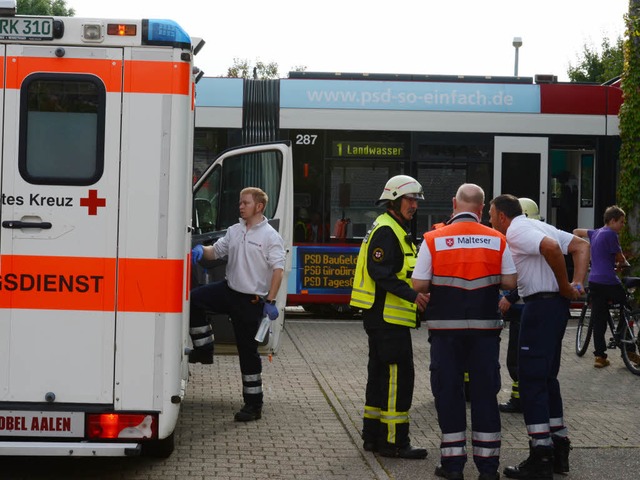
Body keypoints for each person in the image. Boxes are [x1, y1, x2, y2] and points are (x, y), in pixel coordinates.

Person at [412, 183, 517, 480]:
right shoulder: (497, 239)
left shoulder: (433, 239)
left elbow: (419, 285)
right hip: (485, 332)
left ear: (454, 204)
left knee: (449, 393)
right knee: (485, 395)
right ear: (482, 209)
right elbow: (510, 282)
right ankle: (487, 469)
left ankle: (453, 465)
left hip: (446, 332)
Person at [489, 194, 590, 479]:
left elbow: (550, 249)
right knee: (547, 379)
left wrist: (564, 286)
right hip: (554, 309)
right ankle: (559, 447)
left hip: (540, 305)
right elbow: (582, 245)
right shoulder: (539, 226)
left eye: (491, 216)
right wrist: (576, 284)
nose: (490, 221)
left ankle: (540, 456)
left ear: (502, 217)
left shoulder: (517, 231)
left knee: (531, 379)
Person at [350, 174, 429, 460]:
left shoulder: (391, 227)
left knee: (379, 375)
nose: (414, 206)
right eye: (410, 200)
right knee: (398, 378)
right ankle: (395, 442)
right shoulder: (388, 230)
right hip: (388, 319)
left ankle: (372, 436)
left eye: (416, 201)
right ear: (394, 200)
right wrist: (414, 296)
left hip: (382, 319)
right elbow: (380, 273)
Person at [190, 187, 285, 422]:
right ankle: (204, 349)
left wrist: (270, 302)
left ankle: (253, 405)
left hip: (250, 301)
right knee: (193, 301)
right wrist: (201, 251)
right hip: (228, 290)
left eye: (245, 203)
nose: (240, 206)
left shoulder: (270, 237)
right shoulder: (234, 231)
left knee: (247, 352)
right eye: (240, 202)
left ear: (259, 207)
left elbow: (278, 271)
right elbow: (216, 252)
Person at [573, 205, 639, 368]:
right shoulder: (611, 234)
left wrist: (586, 251)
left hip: (594, 281)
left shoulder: (595, 233)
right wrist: (623, 263)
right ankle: (628, 348)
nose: (623, 226)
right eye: (622, 222)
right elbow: (620, 258)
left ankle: (600, 357)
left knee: (599, 318)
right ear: (612, 221)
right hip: (609, 281)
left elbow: (575, 232)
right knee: (626, 309)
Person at [499, 197, 541, 414]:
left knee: (516, 358)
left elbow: (522, 278)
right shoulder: (535, 239)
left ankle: (520, 400)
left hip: (522, 309)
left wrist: (509, 298)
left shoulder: (522, 241)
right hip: (528, 309)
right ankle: (523, 398)